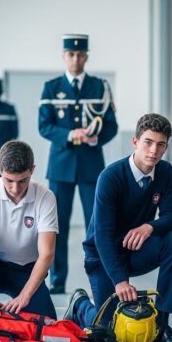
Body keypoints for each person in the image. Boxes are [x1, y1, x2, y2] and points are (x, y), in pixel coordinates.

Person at [64, 114, 172, 342]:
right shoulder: (110, 177)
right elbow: (102, 236)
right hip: (102, 255)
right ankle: (80, 305)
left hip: (135, 248)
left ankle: (161, 327)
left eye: (161, 144)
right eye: (148, 142)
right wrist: (120, 281)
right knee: (111, 335)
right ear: (135, 142)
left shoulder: (164, 171)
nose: (154, 150)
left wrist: (148, 226)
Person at [38, 33, 118, 294]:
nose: (75, 58)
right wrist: (70, 135)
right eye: (70, 54)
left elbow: (112, 126)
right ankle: (57, 278)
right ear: (64, 56)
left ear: (86, 56)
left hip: (91, 166)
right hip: (60, 168)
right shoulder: (51, 87)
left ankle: (99, 275)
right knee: (56, 225)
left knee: (96, 224)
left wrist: (96, 139)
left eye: (80, 54)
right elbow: (44, 126)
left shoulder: (100, 87)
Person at [0, 140, 58, 319]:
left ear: (32, 170)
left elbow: (47, 254)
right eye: (9, 181)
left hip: (25, 271)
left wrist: (25, 296)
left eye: (23, 181)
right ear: (0, 169)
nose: (15, 188)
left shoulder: (46, 197)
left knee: (47, 326)